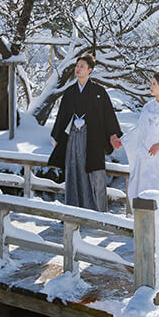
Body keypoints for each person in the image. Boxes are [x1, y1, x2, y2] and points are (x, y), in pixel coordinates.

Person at [113, 71, 159, 237]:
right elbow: (140, 129)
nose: (150, 86)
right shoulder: (147, 107)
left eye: (154, 84)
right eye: (151, 83)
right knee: (145, 187)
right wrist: (123, 141)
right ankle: (146, 224)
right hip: (147, 158)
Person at [49, 54, 122, 212]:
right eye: (77, 66)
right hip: (73, 137)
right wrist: (57, 136)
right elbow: (62, 116)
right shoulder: (70, 92)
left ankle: (97, 213)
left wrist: (113, 135)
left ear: (90, 70)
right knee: (73, 171)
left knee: (94, 174)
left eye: (82, 66)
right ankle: (73, 210)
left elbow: (108, 115)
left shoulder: (98, 91)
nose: (78, 68)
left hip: (93, 139)